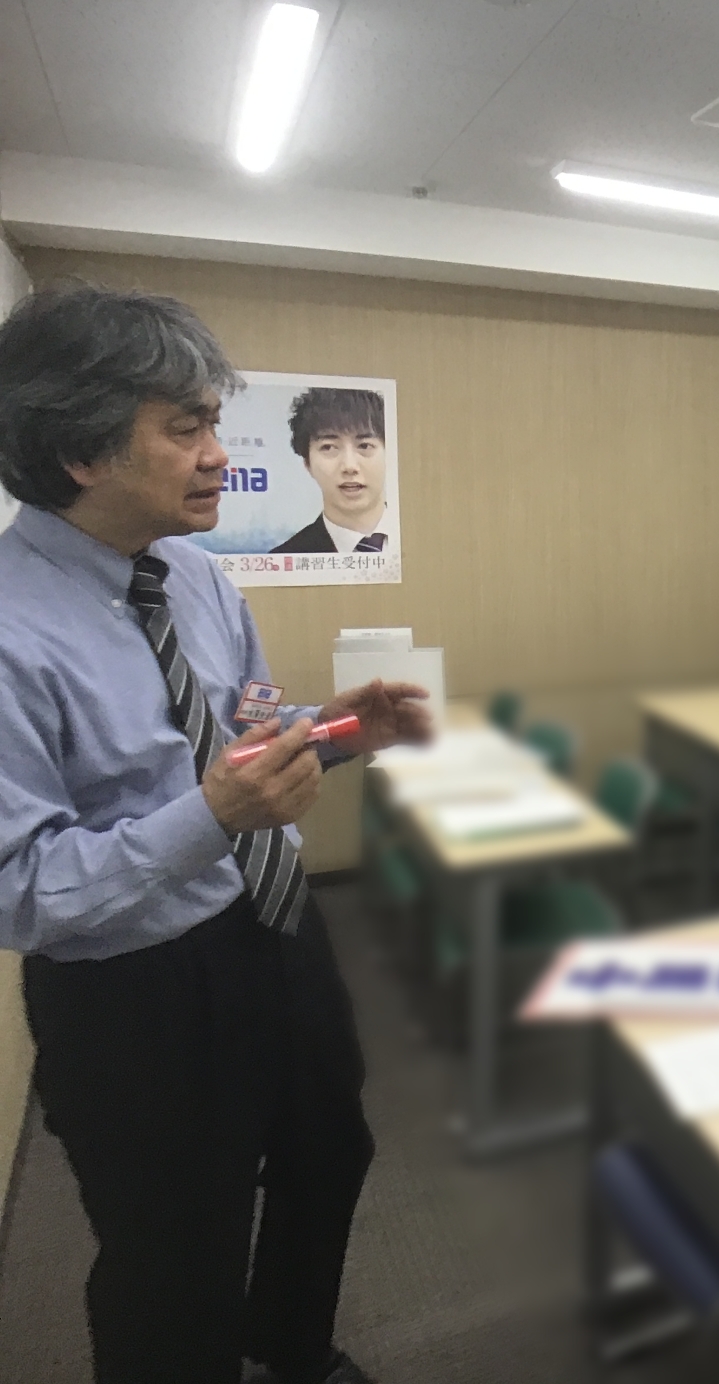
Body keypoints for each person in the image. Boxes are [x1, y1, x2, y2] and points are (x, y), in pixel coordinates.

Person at [0, 283, 432, 1384]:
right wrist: (213, 818)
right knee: (173, 1248)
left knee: (329, 1150)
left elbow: (244, 728)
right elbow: (24, 890)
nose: (218, 458)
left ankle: (291, 1347)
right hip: (133, 992)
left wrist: (338, 730)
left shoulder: (194, 571)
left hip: (277, 924)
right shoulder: (9, 630)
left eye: (215, 424)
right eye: (186, 428)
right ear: (82, 451)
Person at [272, 388, 391, 553]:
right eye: (328, 447)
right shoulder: (285, 557)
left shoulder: (424, 532)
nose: (349, 466)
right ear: (307, 463)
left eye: (364, 446)